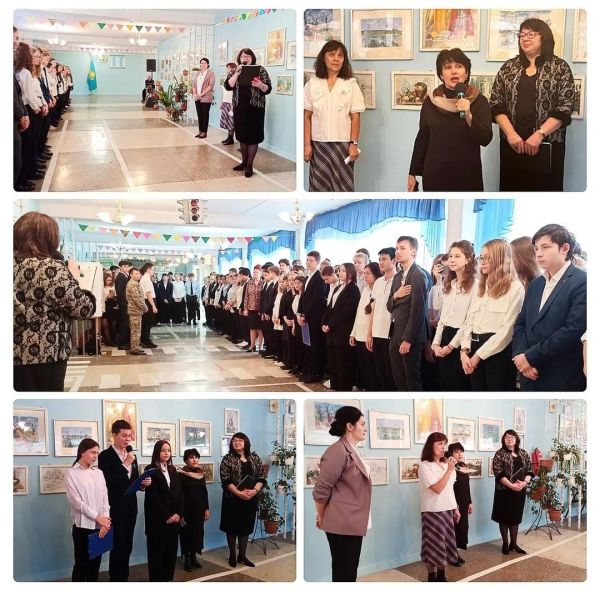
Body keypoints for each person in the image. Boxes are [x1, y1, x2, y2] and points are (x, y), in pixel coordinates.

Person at [14, 212, 96, 391]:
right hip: (46, 351)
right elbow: (82, 309)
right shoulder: (51, 268)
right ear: (50, 238)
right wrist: (75, 278)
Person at [489, 18, 575, 191]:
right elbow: (496, 104)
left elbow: (565, 107)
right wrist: (510, 134)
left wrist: (539, 135)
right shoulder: (508, 67)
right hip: (513, 145)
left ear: (544, 37)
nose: (525, 38)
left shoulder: (560, 68)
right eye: (521, 35)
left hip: (547, 145)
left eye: (530, 34)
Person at [512, 224, 587, 391]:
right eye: (536, 248)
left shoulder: (582, 281)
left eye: (545, 247)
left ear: (564, 248)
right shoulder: (536, 284)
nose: (538, 253)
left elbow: (573, 329)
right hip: (529, 374)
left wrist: (530, 357)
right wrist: (520, 356)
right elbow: (521, 323)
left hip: (560, 375)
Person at [408, 48, 492, 192]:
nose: (454, 71)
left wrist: (468, 115)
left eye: (459, 66)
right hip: (435, 175)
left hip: (467, 176)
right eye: (448, 67)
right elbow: (423, 138)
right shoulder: (431, 102)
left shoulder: (479, 101)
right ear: (441, 74)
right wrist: (412, 173)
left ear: (466, 73)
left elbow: (485, 139)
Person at [313, 406, 371, 582]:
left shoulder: (353, 449)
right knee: (344, 573)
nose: (365, 428)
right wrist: (322, 516)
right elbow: (321, 491)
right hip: (342, 522)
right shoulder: (337, 450)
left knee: (349, 570)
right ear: (350, 426)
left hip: (353, 521)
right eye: (362, 424)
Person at [460, 239, 525, 390]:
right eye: (481, 257)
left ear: (500, 258)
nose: (482, 262)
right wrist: (464, 351)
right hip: (473, 348)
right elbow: (469, 321)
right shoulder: (481, 286)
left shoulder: (515, 288)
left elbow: (507, 331)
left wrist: (478, 356)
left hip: (498, 353)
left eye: (487, 258)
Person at [304, 40, 365, 192]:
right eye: (332, 54)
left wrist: (354, 144)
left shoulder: (351, 84)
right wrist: (307, 145)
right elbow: (307, 117)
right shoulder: (312, 84)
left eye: (340, 55)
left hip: (343, 146)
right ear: (323, 58)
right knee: (318, 187)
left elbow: (356, 117)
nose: (336, 59)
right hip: (319, 145)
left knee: (343, 187)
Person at [98, 419, 151, 581]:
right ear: (114, 435)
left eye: (129, 436)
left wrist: (143, 484)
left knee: (127, 545)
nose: (127, 439)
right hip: (114, 507)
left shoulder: (131, 455)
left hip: (131, 507)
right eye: (124, 436)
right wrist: (125, 463)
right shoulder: (105, 456)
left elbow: (133, 480)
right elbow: (108, 482)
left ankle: (124, 577)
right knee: (117, 545)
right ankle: (115, 578)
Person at [432, 240, 478, 391]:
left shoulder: (476, 285)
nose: (452, 260)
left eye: (457, 256)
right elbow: (441, 314)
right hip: (445, 336)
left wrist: (451, 346)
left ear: (468, 259)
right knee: (443, 385)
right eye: (451, 256)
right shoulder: (451, 283)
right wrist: (436, 343)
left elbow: (469, 321)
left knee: (457, 386)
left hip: (461, 340)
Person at [386, 236, 430, 390]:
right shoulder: (397, 277)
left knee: (411, 379)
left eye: (402, 248)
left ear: (413, 252)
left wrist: (408, 339)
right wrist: (396, 295)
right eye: (397, 248)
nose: (398, 251)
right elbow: (389, 306)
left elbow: (418, 310)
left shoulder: (419, 275)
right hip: (395, 333)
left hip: (410, 336)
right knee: (398, 378)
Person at [64, 438, 111, 582]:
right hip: (82, 527)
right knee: (81, 565)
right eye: (92, 452)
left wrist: (105, 521)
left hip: (100, 526)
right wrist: (98, 517)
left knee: (94, 566)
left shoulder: (99, 473)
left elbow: (105, 498)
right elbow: (77, 503)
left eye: (97, 453)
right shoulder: (71, 474)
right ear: (82, 452)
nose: (95, 456)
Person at [219, 433, 266, 568]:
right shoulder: (227, 459)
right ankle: (232, 555)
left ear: (246, 442)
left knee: (246, 527)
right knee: (231, 528)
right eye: (234, 440)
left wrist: (254, 491)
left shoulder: (254, 458)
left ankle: (242, 556)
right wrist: (239, 493)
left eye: (240, 440)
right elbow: (225, 479)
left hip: (250, 498)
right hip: (232, 499)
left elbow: (262, 477)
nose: (236, 442)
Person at [418, 432, 460, 582]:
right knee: (432, 545)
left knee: (445, 544)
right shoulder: (424, 466)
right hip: (432, 511)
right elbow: (437, 488)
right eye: (440, 444)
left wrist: (455, 508)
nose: (443, 447)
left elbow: (449, 489)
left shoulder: (446, 465)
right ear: (431, 446)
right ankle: (431, 576)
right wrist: (449, 470)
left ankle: (442, 575)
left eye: (444, 444)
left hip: (447, 509)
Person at [224, 48, 272, 178]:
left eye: (247, 56)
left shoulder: (260, 70)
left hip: (255, 109)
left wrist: (261, 85)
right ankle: (244, 162)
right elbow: (228, 86)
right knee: (242, 136)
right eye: (242, 56)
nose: (245, 58)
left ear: (252, 57)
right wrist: (237, 73)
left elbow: (268, 89)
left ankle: (249, 165)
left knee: (253, 137)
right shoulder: (235, 70)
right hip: (239, 108)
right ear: (239, 58)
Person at [144, 440, 184, 582]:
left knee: (171, 552)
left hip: (174, 519)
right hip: (157, 520)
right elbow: (153, 496)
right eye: (163, 450)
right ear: (157, 452)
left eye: (168, 450)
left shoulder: (172, 469)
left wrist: (178, 513)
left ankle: (168, 579)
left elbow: (180, 493)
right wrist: (167, 515)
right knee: (156, 553)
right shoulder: (150, 469)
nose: (167, 453)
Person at [491, 430, 534, 554]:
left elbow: (530, 470)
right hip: (504, 491)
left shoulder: (523, 453)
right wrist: (511, 486)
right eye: (507, 437)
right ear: (503, 440)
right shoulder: (499, 454)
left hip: (519, 491)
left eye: (512, 437)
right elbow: (498, 473)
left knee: (515, 518)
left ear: (516, 439)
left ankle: (514, 544)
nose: (509, 439)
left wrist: (524, 483)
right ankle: (505, 544)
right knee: (504, 518)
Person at [321, 262, 361, 390]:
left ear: (351, 273)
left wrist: (330, 325)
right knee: (333, 361)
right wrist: (324, 323)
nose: (340, 273)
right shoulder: (338, 287)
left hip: (343, 330)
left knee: (343, 362)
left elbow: (346, 312)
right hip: (332, 330)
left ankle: (343, 388)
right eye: (340, 270)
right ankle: (336, 385)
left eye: (343, 271)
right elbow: (329, 308)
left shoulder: (353, 289)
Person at [350, 261, 383, 391]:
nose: (365, 276)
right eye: (364, 273)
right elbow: (359, 313)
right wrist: (353, 333)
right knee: (363, 367)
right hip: (359, 333)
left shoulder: (379, 290)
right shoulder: (365, 290)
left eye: (368, 273)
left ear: (376, 274)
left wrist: (371, 335)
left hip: (370, 335)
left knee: (372, 369)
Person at [368, 248, 397, 390]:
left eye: (384, 259)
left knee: (391, 373)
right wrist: (369, 334)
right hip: (376, 332)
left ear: (394, 260)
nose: (381, 262)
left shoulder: (399, 280)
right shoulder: (378, 282)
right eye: (379, 259)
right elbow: (373, 309)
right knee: (380, 372)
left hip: (390, 333)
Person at [297, 251, 328, 383]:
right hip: (305, 318)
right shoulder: (307, 277)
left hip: (313, 318)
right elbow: (303, 297)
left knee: (315, 346)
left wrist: (305, 314)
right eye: (307, 260)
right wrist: (299, 313)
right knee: (307, 344)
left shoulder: (319, 278)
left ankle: (316, 373)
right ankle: (309, 370)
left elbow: (317, 300)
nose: (308, 263)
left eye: (311, 260)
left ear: (317, 262)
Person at [178, 448, 210, 571]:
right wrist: (180, 513)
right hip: (186, 510)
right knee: (186, 534)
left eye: (196, 457)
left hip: (199, 510)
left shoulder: (201, 474)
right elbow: (179, 494)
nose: (194, 459)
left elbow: (204, 492)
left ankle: (193, 557)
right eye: (191, 457)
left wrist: (206, 508)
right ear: (186, 460)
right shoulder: (181, 474)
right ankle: (186, 559)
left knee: (197, 533)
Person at [446, 442, 472, 566]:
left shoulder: (463, 466)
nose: (459, 454)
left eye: (461, 451)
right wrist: (453, 505)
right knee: (453, 529)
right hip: (453, 502)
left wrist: (470, 502)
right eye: (456, 452)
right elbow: (449, 488)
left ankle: (455, 553)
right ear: (450, 454)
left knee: (462, 528)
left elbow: (467, 485)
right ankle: (452, 555)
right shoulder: (450, 467)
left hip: (464, 502)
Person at [125, 267, 148, 356]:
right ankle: (134, 349)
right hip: (135, 310)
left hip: (136, 310)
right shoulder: (132, 285)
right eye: (136, 274)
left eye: (139, 274)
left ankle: (136, 347)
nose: (138, 275)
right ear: (131, 275)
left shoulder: (135, 283)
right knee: (135, 331)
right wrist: (145, 308)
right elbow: (137, 299)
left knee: (136, 330)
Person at [192, 57, 215, 139]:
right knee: (199, 114)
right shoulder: (198, 73)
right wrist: (195, 93)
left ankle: (204, 132)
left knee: (205, 114)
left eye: (204, 63)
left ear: (208, 64)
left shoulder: (211, 73)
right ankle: (200, 131)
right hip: (197, 97)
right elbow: (194, 85)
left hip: (206, 96)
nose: (203, 64)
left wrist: (202, 94)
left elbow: (211, 85)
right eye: (201, 63)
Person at [139, 262, 158, 348]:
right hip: (148, 301)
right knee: (147, 323)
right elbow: (148, 293)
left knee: (147, 322)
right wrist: (153, 306)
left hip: (148, 301)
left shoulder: (145, 278)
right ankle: (145, 341)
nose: (153, 271)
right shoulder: (146, 279)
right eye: (153, 269)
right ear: (148, 269)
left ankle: (145, 339)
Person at [115, 259, 132, 349]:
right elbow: (120, 292)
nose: (126, 268)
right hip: (124, 303)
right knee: (124, 324)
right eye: (124, 267)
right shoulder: (121, 276)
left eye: (127, 267)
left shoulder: (125, 275)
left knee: (126, 323)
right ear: (120, 267)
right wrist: (121, 303)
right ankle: (122, 344)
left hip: (124, 303)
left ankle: (125, 342)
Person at [220, 62, 236, 145]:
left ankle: (231, 139)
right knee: (227, 122)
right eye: (227, 68)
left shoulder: (235, 79)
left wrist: (233, 105)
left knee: (232, 122)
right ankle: (229, 138)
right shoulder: (227, 78)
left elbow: (235, 94)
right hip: (226, 103)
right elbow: (224, 91)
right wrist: (222, 102)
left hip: (231, 103)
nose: (228, 70)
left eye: (229, 68)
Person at [102, 271, 119, 346]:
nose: (109, 281)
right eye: (107, 280)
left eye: (110, 280)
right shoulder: (101, 288)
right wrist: (106, 297)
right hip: (104, 305)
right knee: (105, 325)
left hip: (112, 304)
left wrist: (114, 297)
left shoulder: (113, 286)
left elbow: (116, 296)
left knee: (113, 324)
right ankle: (108, 341)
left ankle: (113, 340)